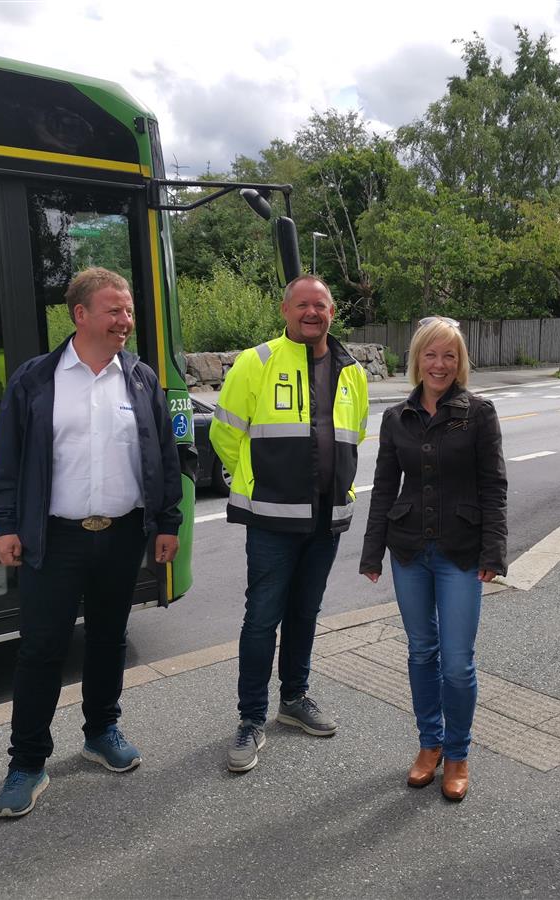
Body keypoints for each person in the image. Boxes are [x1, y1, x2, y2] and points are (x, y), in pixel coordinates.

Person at [0, 267, 182, 818]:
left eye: (128, 311)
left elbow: (164, 458)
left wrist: (167, 523)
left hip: (121, 536)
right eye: (114, 310)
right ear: (80, 314)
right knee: (41, 649)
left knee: (108, 640)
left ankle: (101, 731)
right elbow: (6, 458)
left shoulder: (140, 379)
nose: (125, 320)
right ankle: (27, 762)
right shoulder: (37, 379)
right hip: (55, 539)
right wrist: (6, 524)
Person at [210, 274, 369, 774]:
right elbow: (225, 434)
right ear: (285, 311)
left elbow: (356, 434)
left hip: (326, 517)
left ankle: (294, 699)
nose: (311, 313)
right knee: (262, 618)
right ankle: (251, 718)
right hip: (271, 519)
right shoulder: (256, 362)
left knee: (305, 612)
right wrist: (258, 481)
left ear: (332, 312)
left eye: (320, 305)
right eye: (301, 305)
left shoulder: (351, 371)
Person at [359, 316, 507, 801]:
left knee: (457, 663)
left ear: (459, 362)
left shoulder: (478, 413)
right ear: (417, 359)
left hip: (460, 552)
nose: (439, 364)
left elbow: (494, 486)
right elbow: (384, 487)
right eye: (430, 354)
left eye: (449, 355)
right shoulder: (396, 417)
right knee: (422, 651)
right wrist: (372, 551)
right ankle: (430, 744)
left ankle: (458, 753)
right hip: (408, 550)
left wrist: (494, 550)